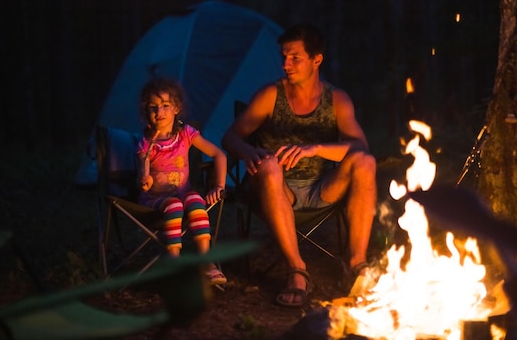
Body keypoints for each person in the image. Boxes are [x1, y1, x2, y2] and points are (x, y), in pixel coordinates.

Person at [221, 24, 377, 307]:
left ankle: (357, 264)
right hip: (276, 188)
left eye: (294, 57)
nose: (285, 64)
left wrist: (315, 148)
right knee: (269, 165)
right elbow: (231, 136)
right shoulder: (270, 95)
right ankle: (296, 270)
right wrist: (246, 152)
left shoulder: (336, 100)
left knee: (365, 162)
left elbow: (360, 147)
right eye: (283, 57)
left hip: (322, 189)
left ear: (317, 59)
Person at [137, 77, 227, 285]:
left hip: (182, 194)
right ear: (147, 113)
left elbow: (219, 155)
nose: (159, 113)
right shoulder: (146, 143)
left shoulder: (186, 134)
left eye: (165, 106)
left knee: (195, 199)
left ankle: (206, 261)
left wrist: (219, 186)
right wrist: (145, 181)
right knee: (176, 204)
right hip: (155, 199)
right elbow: (142, 178)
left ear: (176, 108)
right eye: (153, 108)